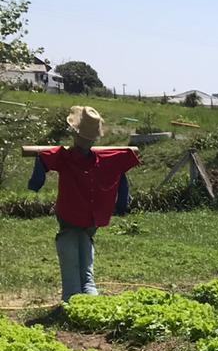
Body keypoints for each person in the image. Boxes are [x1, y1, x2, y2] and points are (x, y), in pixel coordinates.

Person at [29, 105, 139, 303]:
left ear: (75, 133)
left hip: (71, 214)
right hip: (93, 216)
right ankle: (88, 291)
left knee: (70, 242)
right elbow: (122, 168)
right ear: (95, 137)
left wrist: (35, 183)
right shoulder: (106, 158)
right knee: (85, 243)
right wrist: (122, 203)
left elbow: (43, 159)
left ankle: (72, 294)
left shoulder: (64, 156)